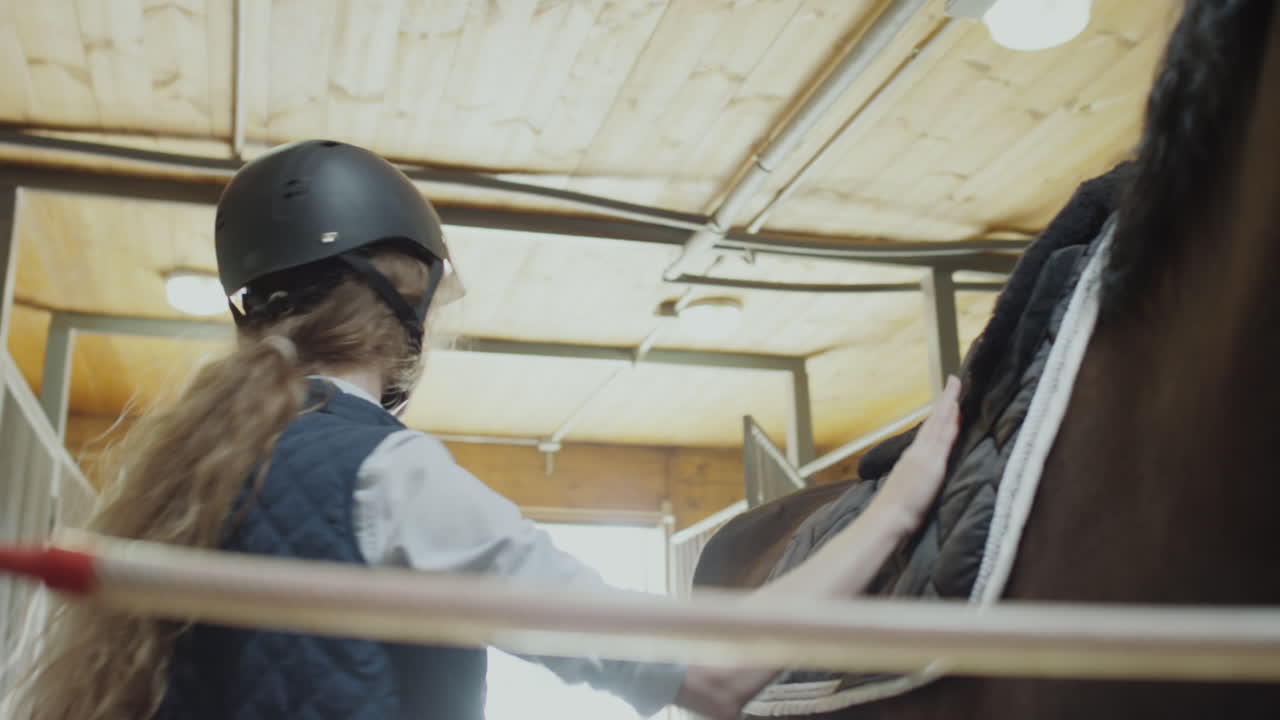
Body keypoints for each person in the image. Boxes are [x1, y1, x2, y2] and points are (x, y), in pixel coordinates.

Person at [13, 140, 962, 720]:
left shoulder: (201, 473)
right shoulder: (385, 477)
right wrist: (898, 502)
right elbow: (715, 676)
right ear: (405, 299)